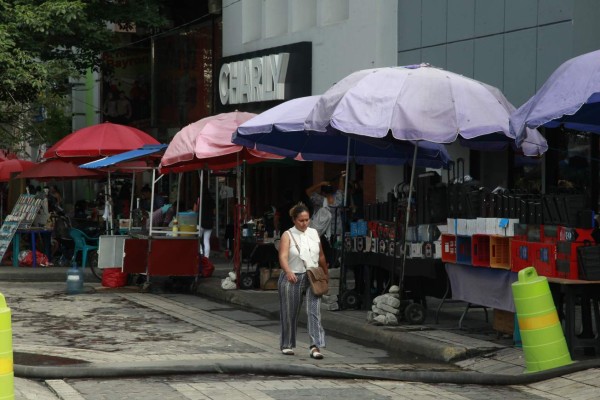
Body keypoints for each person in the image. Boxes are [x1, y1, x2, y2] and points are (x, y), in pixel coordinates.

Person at [277, 202, 328, 359]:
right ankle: (287, 344)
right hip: (293, 276)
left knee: (314, 311)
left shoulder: (314, 233)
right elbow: (283, 256)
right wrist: (288, 271)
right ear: (294, 220)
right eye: (301, 220)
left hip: (312, 275)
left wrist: (325, 274)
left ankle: (315, 346)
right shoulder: (288, 235)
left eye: (307, 220)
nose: (305, 223)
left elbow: (321, 256)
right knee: (290, 311)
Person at [194, 187, 215, 258]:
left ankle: (200, 252)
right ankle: (206, 257)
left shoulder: (199, 199)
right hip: (209, 223)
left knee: (198, 238)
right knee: (206, 240)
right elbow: (214, 212)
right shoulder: (212, 200)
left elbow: (195, 210)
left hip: (201, 222)